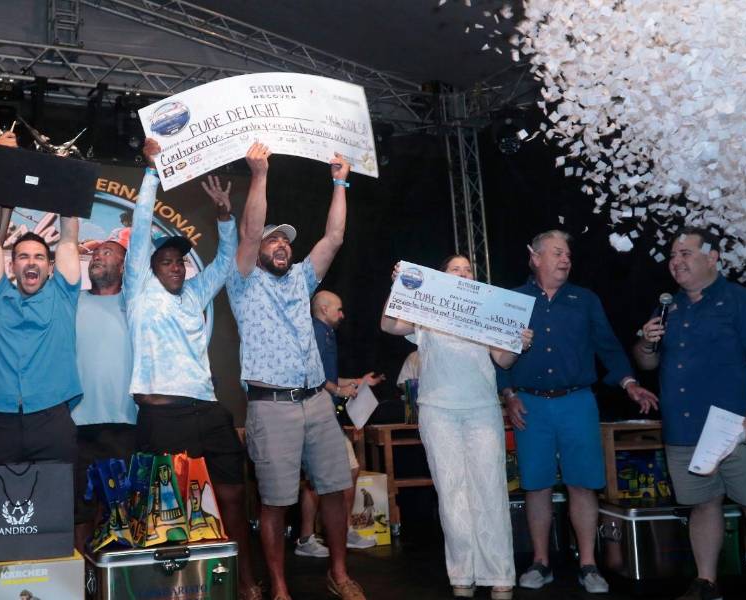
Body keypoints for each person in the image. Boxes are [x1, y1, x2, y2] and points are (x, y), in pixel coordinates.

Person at [226, 143, 365, 600]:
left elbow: (335, 238)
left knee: (335, 488)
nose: (280, 244)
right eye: (272, 239)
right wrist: (260, 175)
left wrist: (340, 181)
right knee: (275, 502)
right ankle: (280, 587)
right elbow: (247, 233)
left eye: (285, 239)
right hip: (272, 408)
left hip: (316, 403)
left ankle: (339, 573)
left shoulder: (303, 278)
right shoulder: (243, 283)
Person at [127, 139, 260, 600]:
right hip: (163, 414)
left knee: (231, 498)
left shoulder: (193, 294)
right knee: (166, 510)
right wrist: (150, 173)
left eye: (180, 261)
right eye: (167, 262)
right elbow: (142, 228)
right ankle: (167, 588)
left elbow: (224, 263)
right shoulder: (139, 291)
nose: (177, 268)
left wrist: (225, 215)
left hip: (207, 410)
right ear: (150, 268)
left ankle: (244, 579)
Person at [498, 229, 658, 594]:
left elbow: (608, 347)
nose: (565, 259)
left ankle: (588, 563)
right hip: (530, 403)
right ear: (535, 257)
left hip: (578, 401)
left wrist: (629, 383)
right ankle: (541, 561)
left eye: (568, 253)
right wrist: (508, 393)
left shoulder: (585, 300)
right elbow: (496, 354)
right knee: (536, 486)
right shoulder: (511, 300)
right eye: (556, 253)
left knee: (583, 484)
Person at [634, 227, 746, 600]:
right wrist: (646, 343)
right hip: (684, 428)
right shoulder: (668, 306)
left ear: (712, 258)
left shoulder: (743, 302)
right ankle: (706, 582)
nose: (676, 262)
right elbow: (646, 362)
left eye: (686, 254)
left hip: (736, 426)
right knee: (702, 504)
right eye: (673, 256)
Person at [381, 255, 532, 600]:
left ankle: (500, 574)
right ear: (441, 276)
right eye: (455, 269)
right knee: (452, 493)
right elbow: (389, 326)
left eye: (468, 269)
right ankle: (462, 573)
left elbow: (503, 359)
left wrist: (517, 343)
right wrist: (400, 287)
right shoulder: (429, 309)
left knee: (490, 490)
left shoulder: (489, 309)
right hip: (438, 410)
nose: (463, 273)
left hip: (481, 409)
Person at [0, 130, 80, 465]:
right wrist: (0, 164)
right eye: (22, 257)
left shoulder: (63, 295)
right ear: (13, 264)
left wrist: (63, 175)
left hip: (51, 420)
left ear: (49, 267)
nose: (31, 262)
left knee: (57, 509)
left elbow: (68, 238)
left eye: (38, 257)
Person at [295, 290, 383, 558]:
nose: (343, 315)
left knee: (346, 471)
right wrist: (339, 391)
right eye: (339, 309)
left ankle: (338, 532)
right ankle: (310, 538)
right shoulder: (318, 333)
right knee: (319, 479)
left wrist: (358, 382)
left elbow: (329, 377)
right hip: (317, 416)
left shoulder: (325, 334)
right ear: (323, 309)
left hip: (325, 415)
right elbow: (315, 377)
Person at [71, 239, 135, 553]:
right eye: (96, 252)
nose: (98, 255)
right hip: (77, 423)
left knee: (119, 513)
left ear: (124, 266)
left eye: (108, 252)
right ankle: (82, 581)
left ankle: (115, 581)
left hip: (124, 423)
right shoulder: (74, 301)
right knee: (79, 511)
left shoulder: (136, 304)